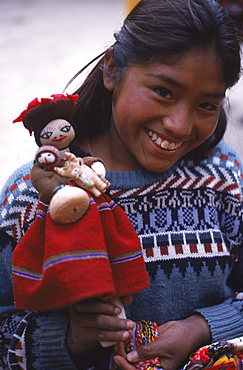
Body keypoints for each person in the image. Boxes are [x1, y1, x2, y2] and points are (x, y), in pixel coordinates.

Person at [0, 0, 243, 369]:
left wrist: (202, 328)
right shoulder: (35, 195)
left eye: (207, 105)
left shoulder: (222, 177)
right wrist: (68, 339)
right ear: (112, 69)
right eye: (163, 91)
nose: (179, 124)